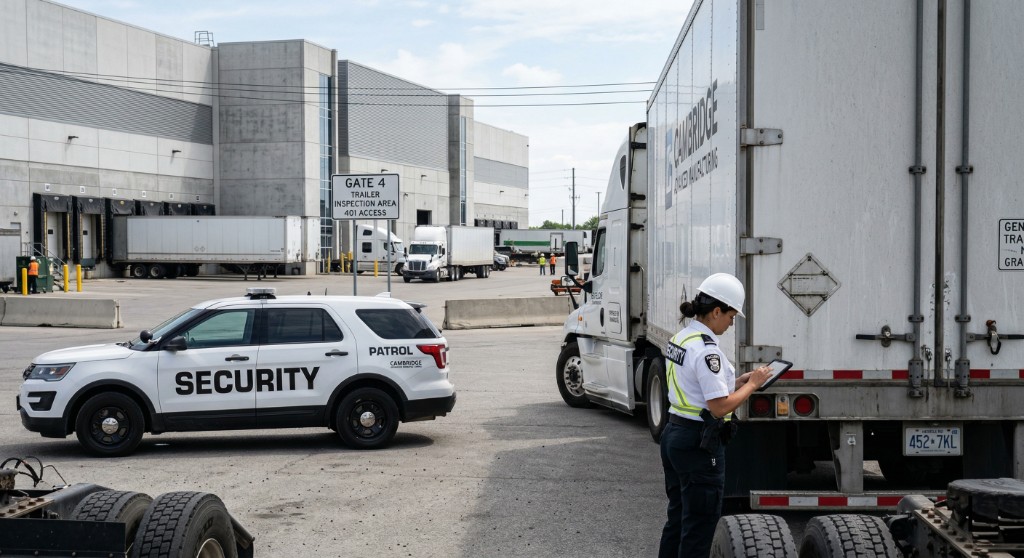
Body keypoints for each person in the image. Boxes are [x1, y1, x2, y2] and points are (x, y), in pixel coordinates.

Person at [658, 273, 773, 558]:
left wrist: (740, 381)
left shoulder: (681, 338)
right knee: (699, 529)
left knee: (678, 520)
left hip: (674, 435)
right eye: (732, 316)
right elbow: (719, 407)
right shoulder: (709, 351)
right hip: (699, 445)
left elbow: (698, 389)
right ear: (717, 311)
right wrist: (754, 386)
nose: (732, 323)